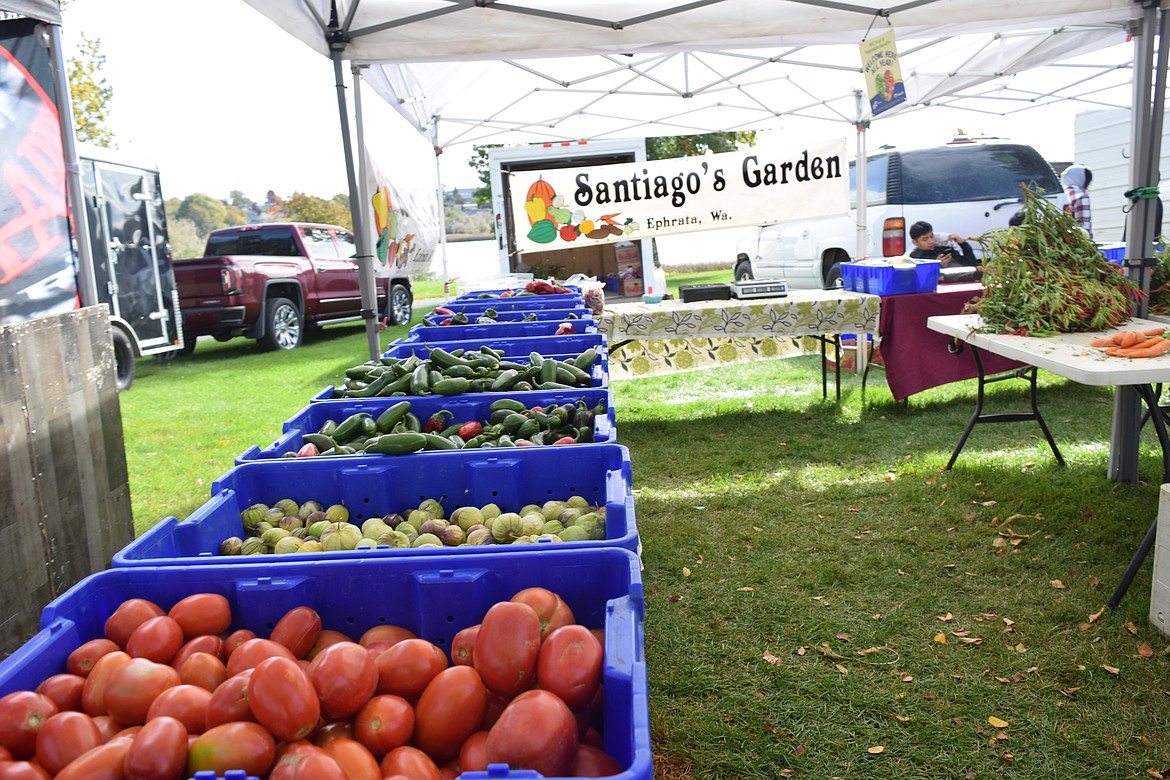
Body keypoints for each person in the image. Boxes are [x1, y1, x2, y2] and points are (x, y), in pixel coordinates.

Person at [908, 220, 981, 282]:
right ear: (915, 242)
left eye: (932, 236)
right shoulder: (916, 258)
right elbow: (924, 280)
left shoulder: (944, 250)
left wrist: (963, 244)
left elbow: (970, 264)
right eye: (925, 239)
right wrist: (938, 266)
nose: (931, 241)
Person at [1061, 164, 1093, 237]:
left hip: (1066, 237)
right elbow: (1085, 225)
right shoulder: (1081, 195)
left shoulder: (1063, 193)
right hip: (1079, 239)